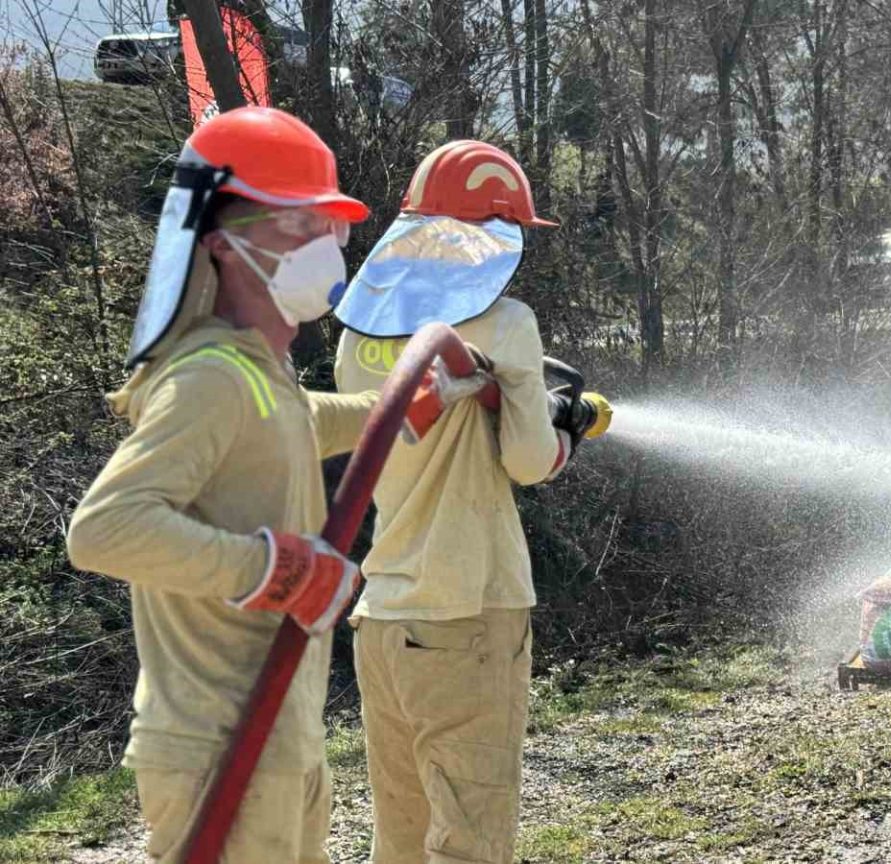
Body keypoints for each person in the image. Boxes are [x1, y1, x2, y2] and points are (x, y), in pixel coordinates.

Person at [66, 107, 482, 864]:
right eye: (300, 226)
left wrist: (409, 405)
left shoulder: (260, 375)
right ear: (226, 246)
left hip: (274, 735)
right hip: (220, 744)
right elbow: (104, 529)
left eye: (330, 228)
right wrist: (275, 569)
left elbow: (302, 422)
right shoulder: (209, 379)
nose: (325, 247)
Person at [331, 140, 591, 863]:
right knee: (470, 841)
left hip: (383, 619)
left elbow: (417, 424)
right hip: (466, 615)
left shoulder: (359, 333)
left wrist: (509, 399)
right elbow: (530, 462)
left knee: (402, 839)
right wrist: (568, 428)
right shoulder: (505, 324)